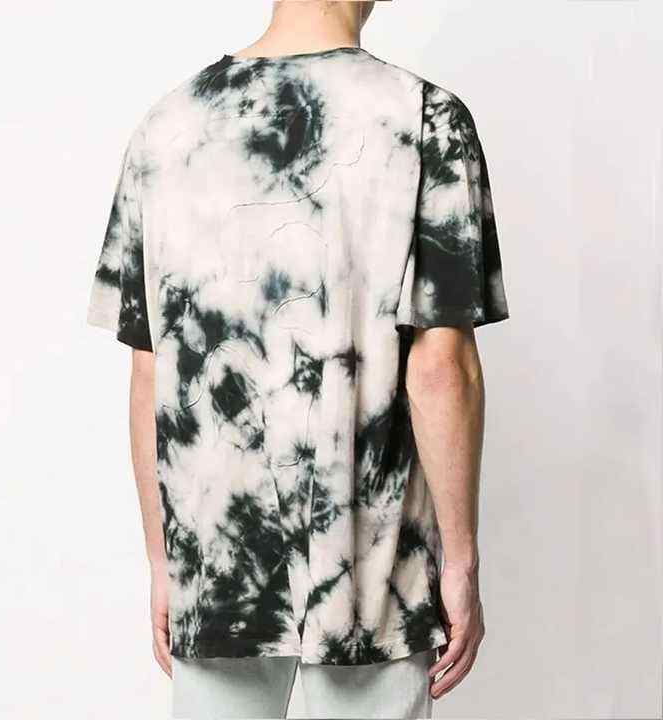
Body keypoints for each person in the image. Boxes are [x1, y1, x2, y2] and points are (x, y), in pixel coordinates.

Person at [85, 1, 509, 717]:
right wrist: (460, 561)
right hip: (370, 567)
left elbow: (150, 368)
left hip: (214, 561)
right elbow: (441, 367)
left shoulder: (168, 127)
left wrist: (164, 561)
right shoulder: (425, 121)